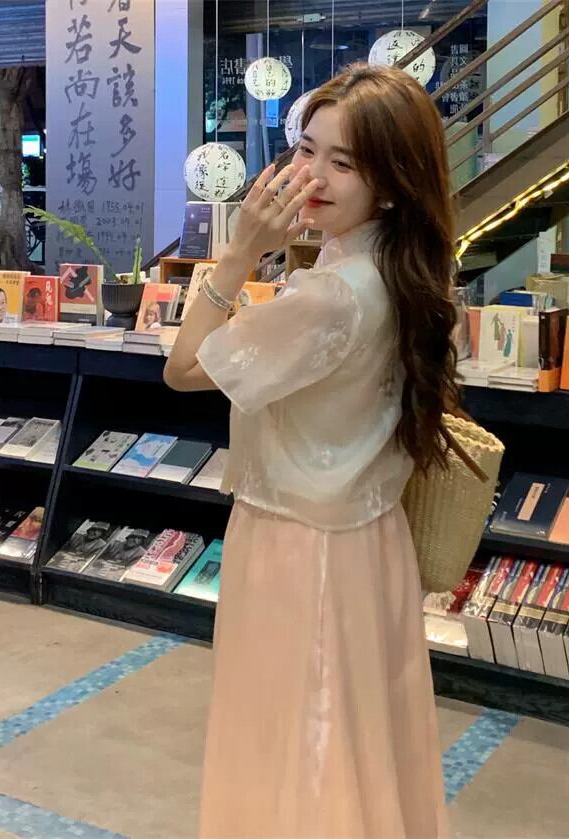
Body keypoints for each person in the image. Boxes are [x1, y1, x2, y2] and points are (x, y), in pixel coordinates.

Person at [164, 63, 458, 838]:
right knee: (361, 742)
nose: (313, 176)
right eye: (306, 150)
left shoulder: (331, 291)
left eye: (343, 161)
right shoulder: (395, 267)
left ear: (389, 182)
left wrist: (240, 252)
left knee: (298, 746)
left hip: (297, 545)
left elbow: (183, 368)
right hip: (367, 537)